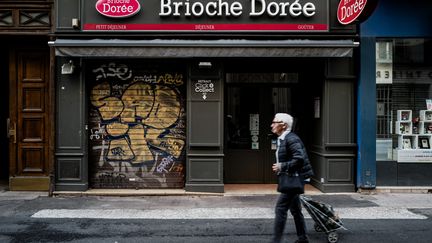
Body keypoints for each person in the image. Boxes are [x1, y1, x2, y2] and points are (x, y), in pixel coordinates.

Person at [270, 113, 313, 243]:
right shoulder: (283, 138)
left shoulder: (291, 138)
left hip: (293, 178)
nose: (272, 125)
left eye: (274, 122)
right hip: (291, 178)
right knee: (295, 209)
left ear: (283, 125)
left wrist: (282, 166)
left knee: (281, 208)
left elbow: (299, 159)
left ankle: (276, 241)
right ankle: (303, 238)